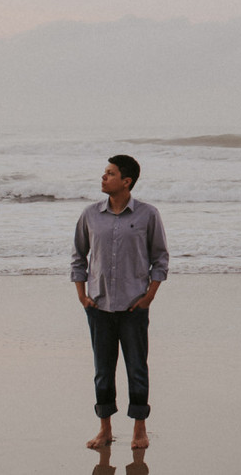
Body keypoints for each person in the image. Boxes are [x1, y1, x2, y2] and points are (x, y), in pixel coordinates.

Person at [72, 155, 169, 450]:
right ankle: (105, 430)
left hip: (133, 307)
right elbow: (79, 257)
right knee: (103, 370)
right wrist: (82, 296)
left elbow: (160, 258)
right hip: (99, 307)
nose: (104, 177)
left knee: (137, 368)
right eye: (104, 172)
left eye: (110, 173)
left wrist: (148, 297)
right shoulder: (90, 215)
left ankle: (140, 429)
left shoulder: (147, 215)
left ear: (126, 181)